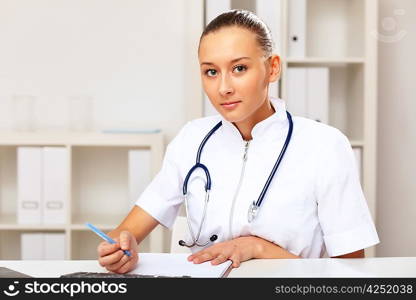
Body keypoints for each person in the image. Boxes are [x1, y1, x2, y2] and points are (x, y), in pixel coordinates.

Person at [96, 10, 379, 274]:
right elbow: (126, 233)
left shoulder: (324, 146)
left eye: (239, 68)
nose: (223, 88)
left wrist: (258, 248)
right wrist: (120, 249)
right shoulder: (191, 140)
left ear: (273, 68)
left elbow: (350, 274)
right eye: (211, 72)